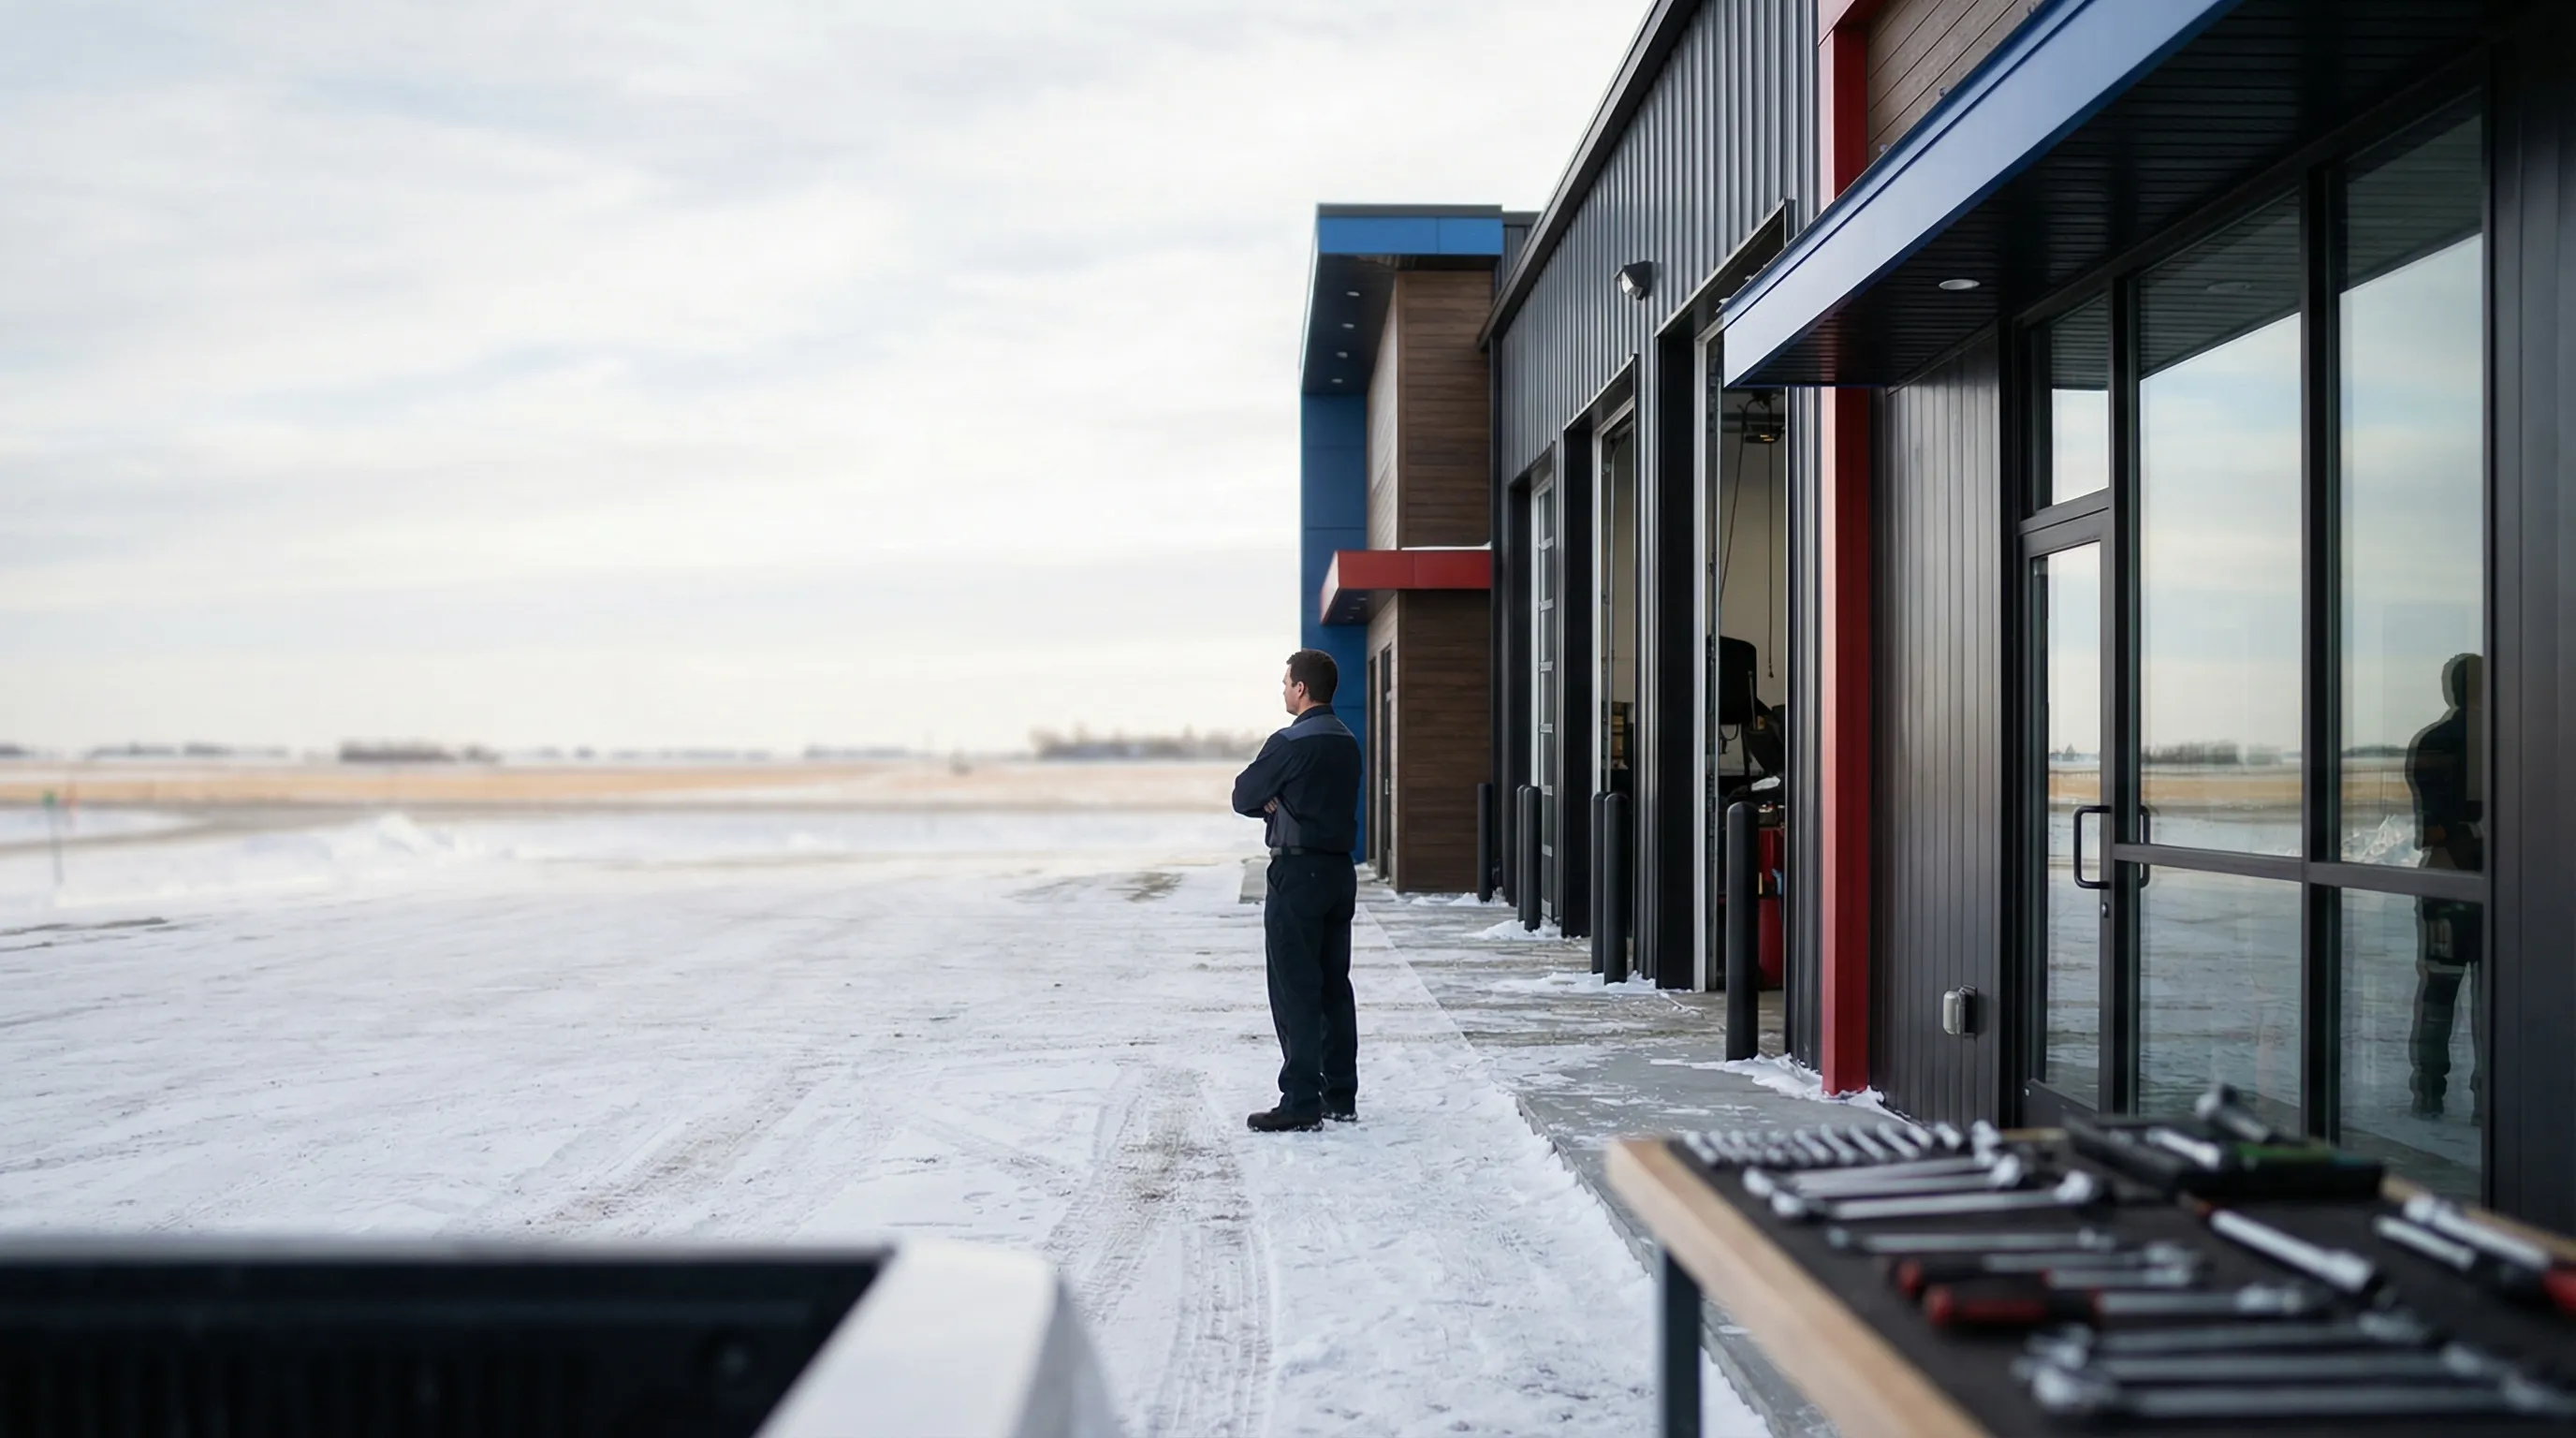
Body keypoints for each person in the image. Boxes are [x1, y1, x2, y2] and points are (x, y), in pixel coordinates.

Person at [1232, 649, 1363, 1133]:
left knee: (1295, 989)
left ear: (1302, 688)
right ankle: (1340, 1094)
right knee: (1334, 985)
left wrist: (1272, 801)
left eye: (1287, 683)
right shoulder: (1346, 741)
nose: (1284, 690)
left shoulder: (1290, 742)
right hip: (1338, 874)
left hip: (1296, 874)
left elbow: (1243, 795)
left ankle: (1301, 1101)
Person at [2406, 653, 2483, 1122]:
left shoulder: (2436, 739)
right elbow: (2436, 828)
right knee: (2469, 995)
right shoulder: (2493, 741)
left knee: (2440, 991)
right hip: (2460, 879)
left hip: (2447, 881)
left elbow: (2432, 825)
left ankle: (2429, 1093)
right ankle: (2476, 1099)